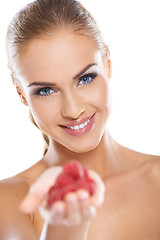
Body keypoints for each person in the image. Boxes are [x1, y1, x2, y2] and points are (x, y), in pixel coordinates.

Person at [1, 0, 160, 239]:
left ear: (108, 65)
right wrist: (63, 231)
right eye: (46, 90)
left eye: (85, 78)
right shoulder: (11, 201)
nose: (73, 110)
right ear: (21, 92)